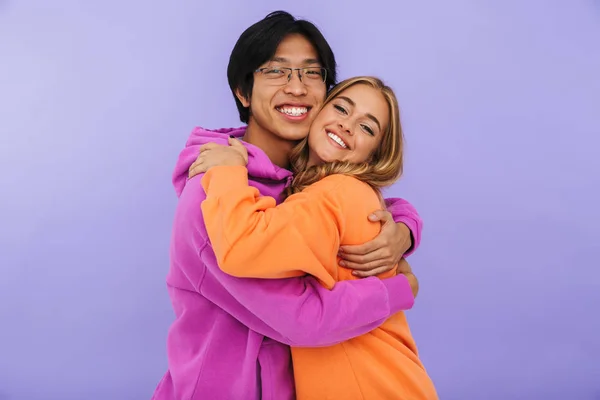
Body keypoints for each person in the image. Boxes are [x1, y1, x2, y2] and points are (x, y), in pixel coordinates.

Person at [152, 11, 424, 400]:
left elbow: (355, 201)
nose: (297, 88)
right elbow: (301, 320)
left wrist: (404, 228)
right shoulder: (214, 190)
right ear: (243, 93)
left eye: (311, 74)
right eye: (276, 71)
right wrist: (399, 289)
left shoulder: (303, 183)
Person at [192, 76, 438, 399]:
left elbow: (241, 247)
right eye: (341, 108)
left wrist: (227, 172)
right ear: (319, 110)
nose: (347, 126)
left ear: (375, 157)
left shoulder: (334, 194)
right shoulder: (342, 194)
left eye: (367, 128)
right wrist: (407, 229)